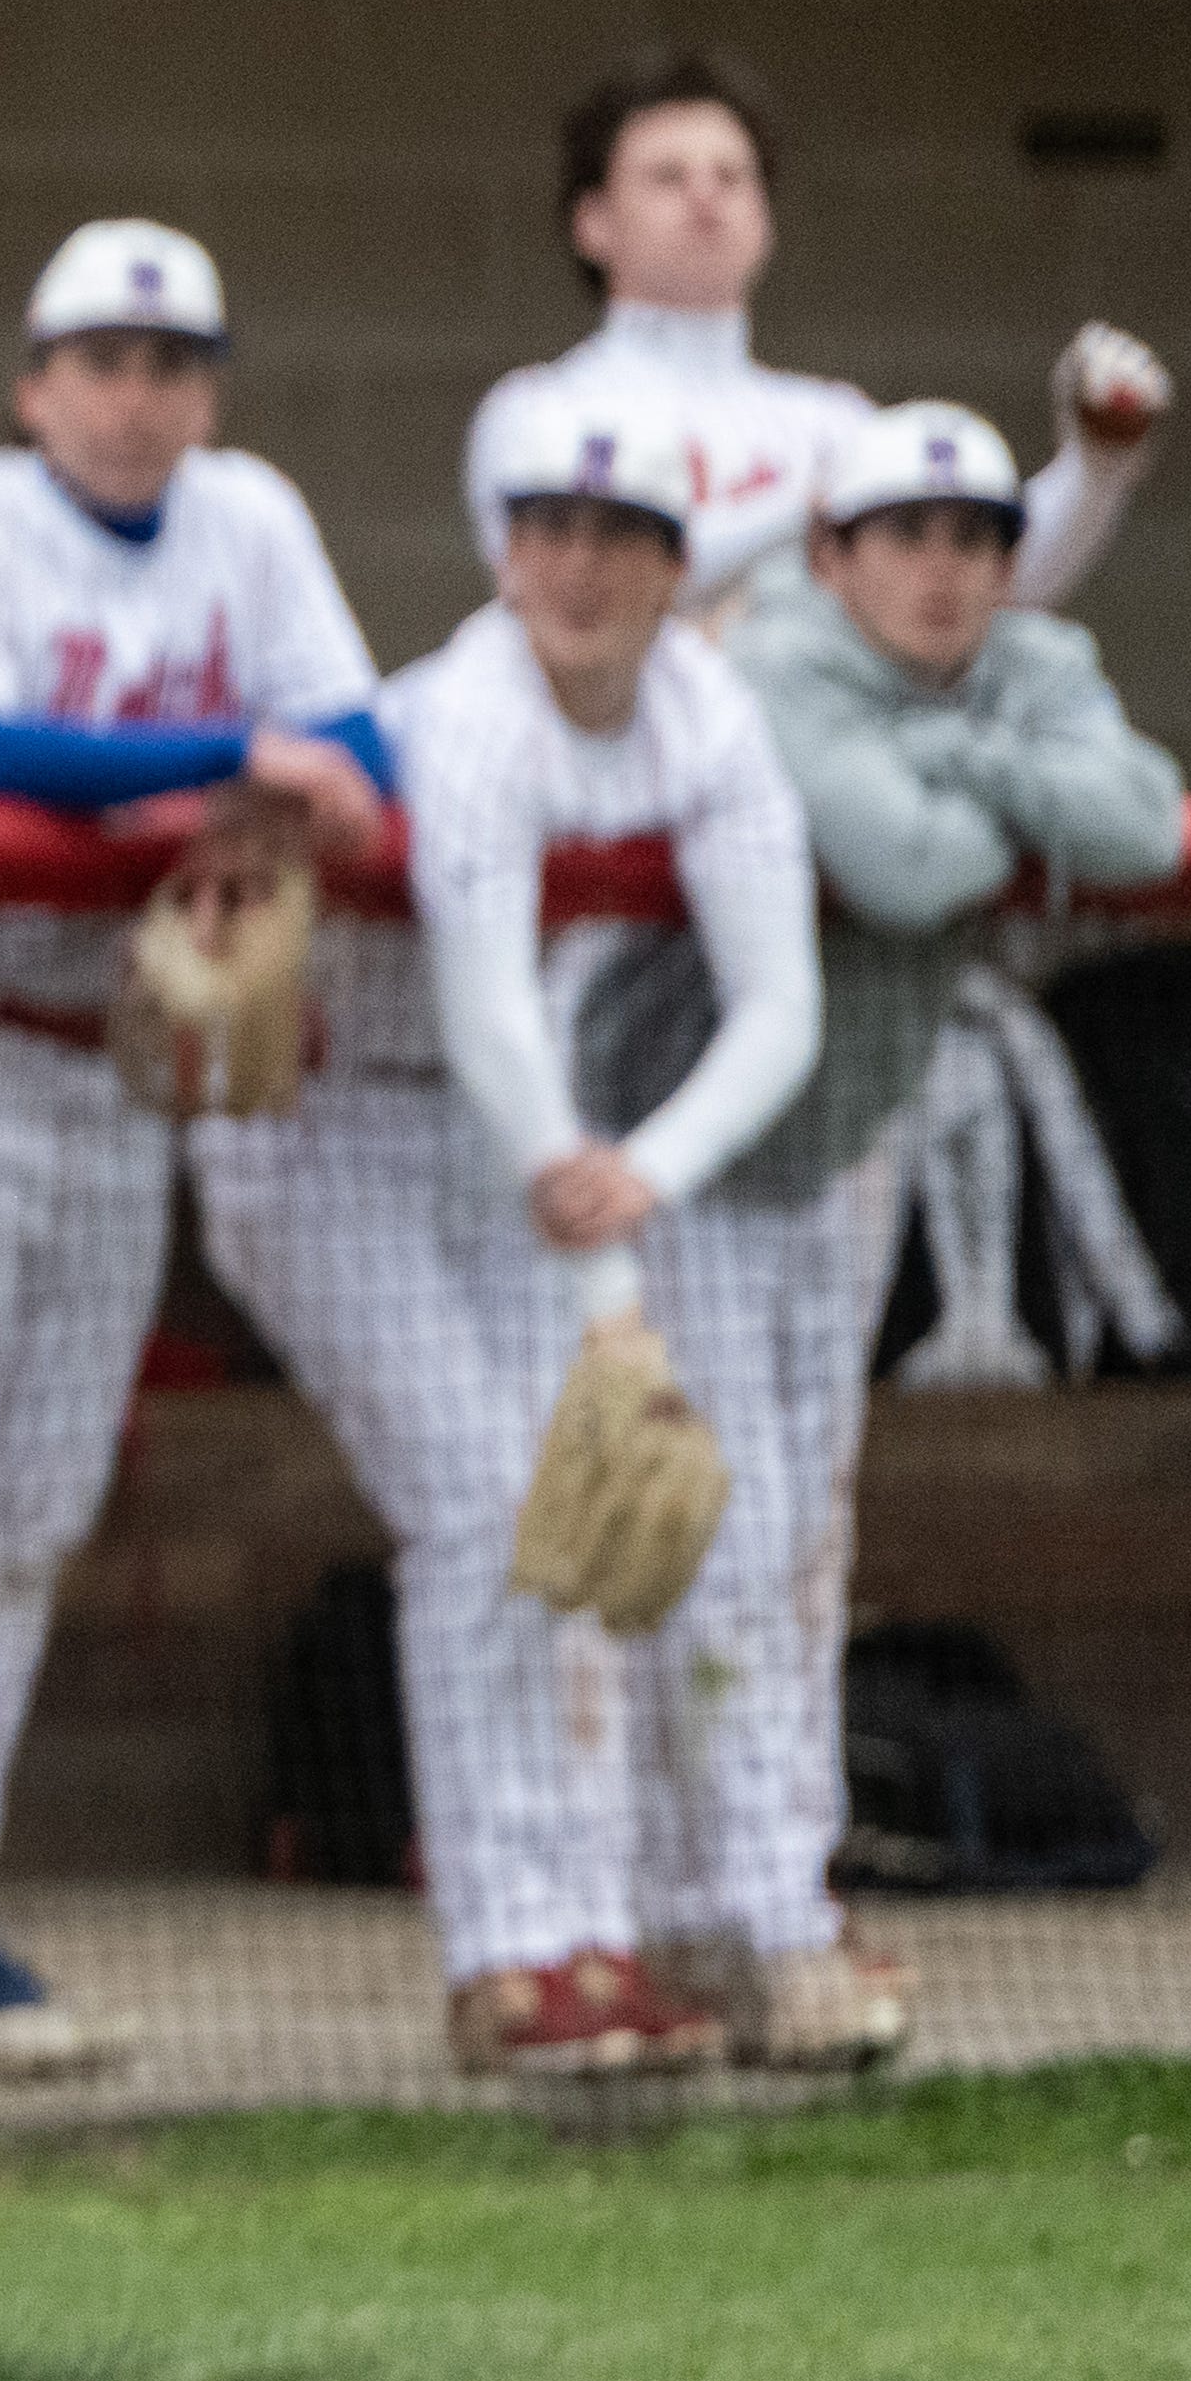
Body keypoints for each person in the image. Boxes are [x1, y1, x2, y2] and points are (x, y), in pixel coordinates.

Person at [0, 221, 388, 2084]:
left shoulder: (251, 517)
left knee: (38, 1502)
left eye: (167, 365)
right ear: (29, 379)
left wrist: (244, 776)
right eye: (98, 361)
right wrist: (229, 765)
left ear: (202, 389)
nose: (134, 397)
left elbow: (355, 731)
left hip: (110, 1063)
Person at [627, 400, 1182, 2062]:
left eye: (973, 542)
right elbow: (897, 862)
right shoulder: (770, 653)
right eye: (902, 540)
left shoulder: (1013, 663)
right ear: (825, 553)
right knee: (698, 1547)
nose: (941, 575)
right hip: (654, 1157)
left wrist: (959, 754)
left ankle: (748, 1906)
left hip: (821, 1159)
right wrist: (1001, 790)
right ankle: (727, 1917)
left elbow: (1142, 824)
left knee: (794, 1551)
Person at [388, 389, 827, 2075]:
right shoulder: (471, 706)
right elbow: (482, 993)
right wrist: (601, 1251)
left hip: (510, 1136)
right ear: (500, 548)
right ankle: (516, 1949)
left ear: (670, 569)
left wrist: (634, 1172)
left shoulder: (702, 707)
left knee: (538, 1518)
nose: (575, 567)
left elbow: (774, 999)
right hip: (349, 1116)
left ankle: (573, 1939)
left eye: (618, 539)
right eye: (545, 531)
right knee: (484, 1503)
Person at [463, 46, 1170, 623]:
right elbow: (573, 597)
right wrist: (811, 509)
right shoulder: (535, 411)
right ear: (591, 222)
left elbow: (990, 581)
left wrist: (1097, 467)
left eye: (732, 176)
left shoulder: (828, 420)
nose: (705, 196)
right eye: (667, 177)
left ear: (765, 219)